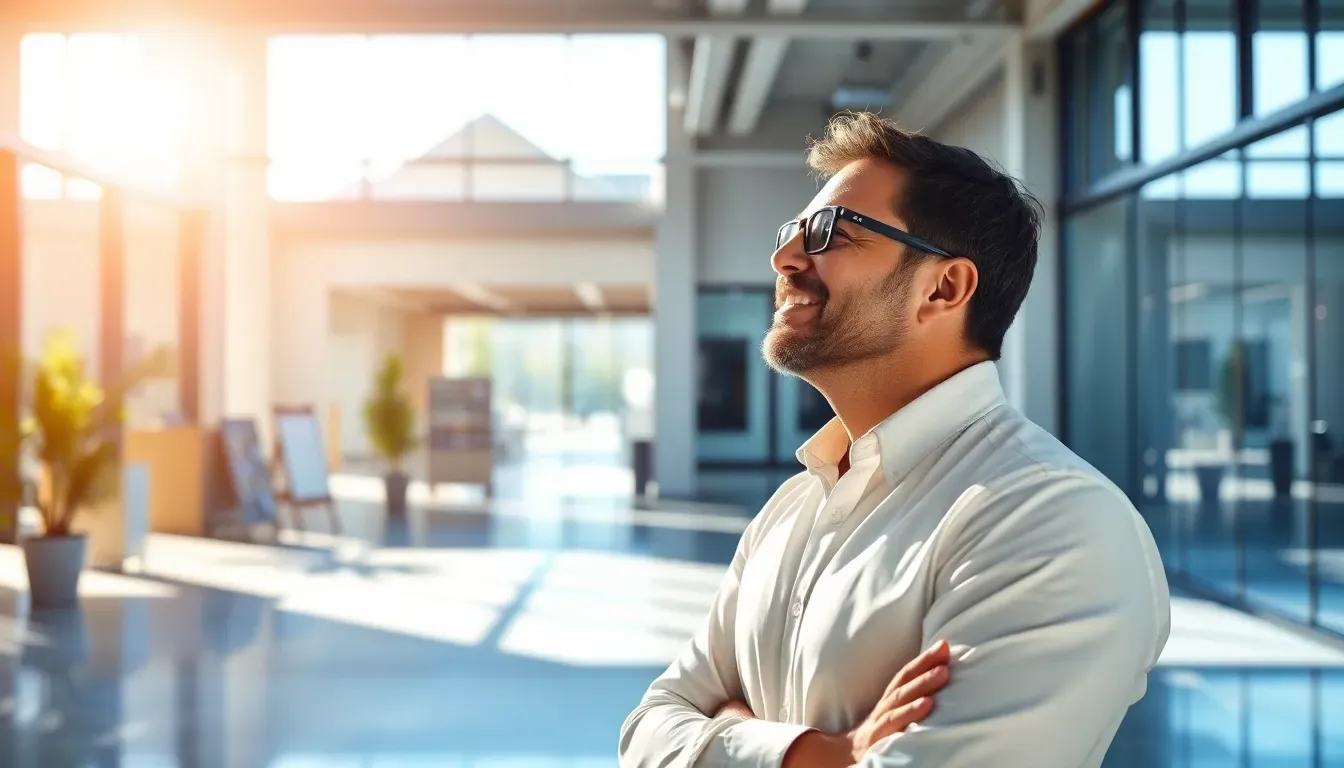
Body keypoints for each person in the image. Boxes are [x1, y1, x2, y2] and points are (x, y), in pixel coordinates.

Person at [618, 112, 1171, 768]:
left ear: (944, 287)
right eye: (793, 232)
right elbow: (648, 729)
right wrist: (815, 755)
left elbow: (680, 735)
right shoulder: (788, 512)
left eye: (828, 233)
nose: (785, 258)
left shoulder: (1054, 522)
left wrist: (729, 731)